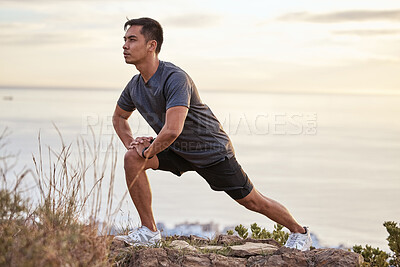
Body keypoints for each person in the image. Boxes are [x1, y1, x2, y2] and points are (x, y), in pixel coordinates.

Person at [112, 17, 312, 251]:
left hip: (210, 151)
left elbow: (173, 129)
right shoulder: (135, 86)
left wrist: (148, 149)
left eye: (132, 39)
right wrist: (133, 145)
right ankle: (149, 231)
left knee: (253, 201)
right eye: (124, 40)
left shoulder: (175, 78)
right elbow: (119, 118)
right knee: (132, 159)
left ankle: (300, 232)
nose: (125, 45)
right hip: (176, 149)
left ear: (151, 45)